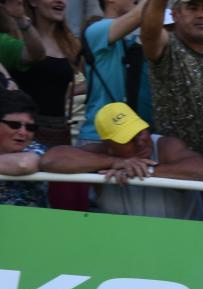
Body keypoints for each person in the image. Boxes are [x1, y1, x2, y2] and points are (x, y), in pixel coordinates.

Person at [40, 102, 203, 218]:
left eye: (140, 131)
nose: (140, 141)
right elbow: (50, 159)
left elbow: (202, 172)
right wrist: (114, 162)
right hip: (125, 247)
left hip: (182, 243)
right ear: (109, 145)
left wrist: (144, 170)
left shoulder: (166, 146)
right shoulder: (101, 154)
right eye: (128, 138)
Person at [140, 0, 203, 165]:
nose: (201, 15)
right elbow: (150, 34)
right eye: (192, 8)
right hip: (178, 168)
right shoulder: (169, 48)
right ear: (175, 14)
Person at [78, 0, 151, 145]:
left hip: (123, 135)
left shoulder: (122, 40)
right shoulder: (96, 30)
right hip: (97, 137)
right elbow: (139, 15)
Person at [10, 0, 79, 147]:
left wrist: (72, 93)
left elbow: (86, 79)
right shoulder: (17, 37)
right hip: (22, 129)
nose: (60, 1)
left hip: (58, 130)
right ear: (33, 2)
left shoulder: (71, 43)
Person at [0, 88, 45, 206]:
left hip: (27, 217)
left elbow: (24, 164)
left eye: (30, 127)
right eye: (14, 125)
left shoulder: (36, 149)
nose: (23, 132)